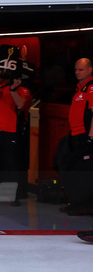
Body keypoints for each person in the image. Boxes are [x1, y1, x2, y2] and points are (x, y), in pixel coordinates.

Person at [0, 61, 33, 206]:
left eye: (7, 72)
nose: (4, 75)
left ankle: (13, 196)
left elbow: (22, 105)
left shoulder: (23, 90)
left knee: (11, 165)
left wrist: (12, 89)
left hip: (11, 132)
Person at [58, 57, 93, 215]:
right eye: (76, 70)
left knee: (83, 172)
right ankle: (75, 201)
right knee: (66, 165)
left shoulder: (91, 88)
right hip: (74, 134)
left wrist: (90, 137)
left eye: (81, 69)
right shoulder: (80, 88)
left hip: (85, 136)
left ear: (90, 70)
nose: (78, 72)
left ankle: (83, 205)